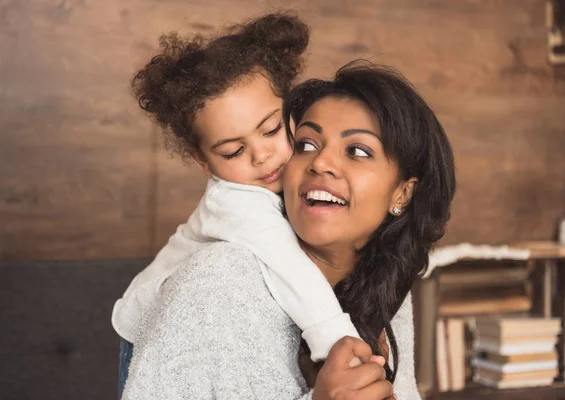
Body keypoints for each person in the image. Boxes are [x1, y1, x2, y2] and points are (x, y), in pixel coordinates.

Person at [122, 60, 456, 399]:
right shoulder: (217, 281)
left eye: (356, 151)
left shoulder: (384, 285)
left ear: (403, 193)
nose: (320, 162)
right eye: (306, 145)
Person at [113, 13, 363, 399]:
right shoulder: (236, 203)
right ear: (203, 161)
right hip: (153, 332)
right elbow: (290, 268)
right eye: (233, 150)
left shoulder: (302, 175)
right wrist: (339, 342)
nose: (262, 155)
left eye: (271, 129)